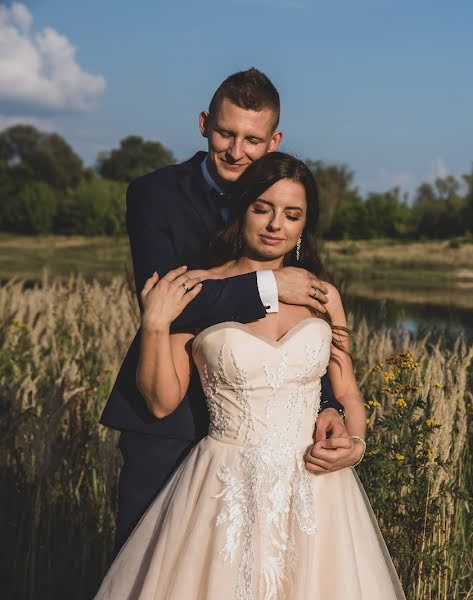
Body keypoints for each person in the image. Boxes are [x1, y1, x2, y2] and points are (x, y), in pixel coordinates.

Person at [95, 152, 405, 599]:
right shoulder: (199, 289)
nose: (275, 224)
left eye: (292, 214)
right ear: (241, 210)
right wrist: (155, 325)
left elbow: (347, 392)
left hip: (315, 491)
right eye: (263, 208)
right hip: (223, 487)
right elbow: (161, 400)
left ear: (303, 226)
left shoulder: (322, 296)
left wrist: (353, 446)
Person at [100, 68, 357, 551]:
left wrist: (329, 404)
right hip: (169, 422)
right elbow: (168, 305)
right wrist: (269, 283)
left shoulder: (281, 198)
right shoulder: (154, 194)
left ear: (274, 139)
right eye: (225, 133)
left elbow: (303, 334)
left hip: (274, 438)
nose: (237, 151)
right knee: (149, 564)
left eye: (253, 139)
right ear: (204, 124)